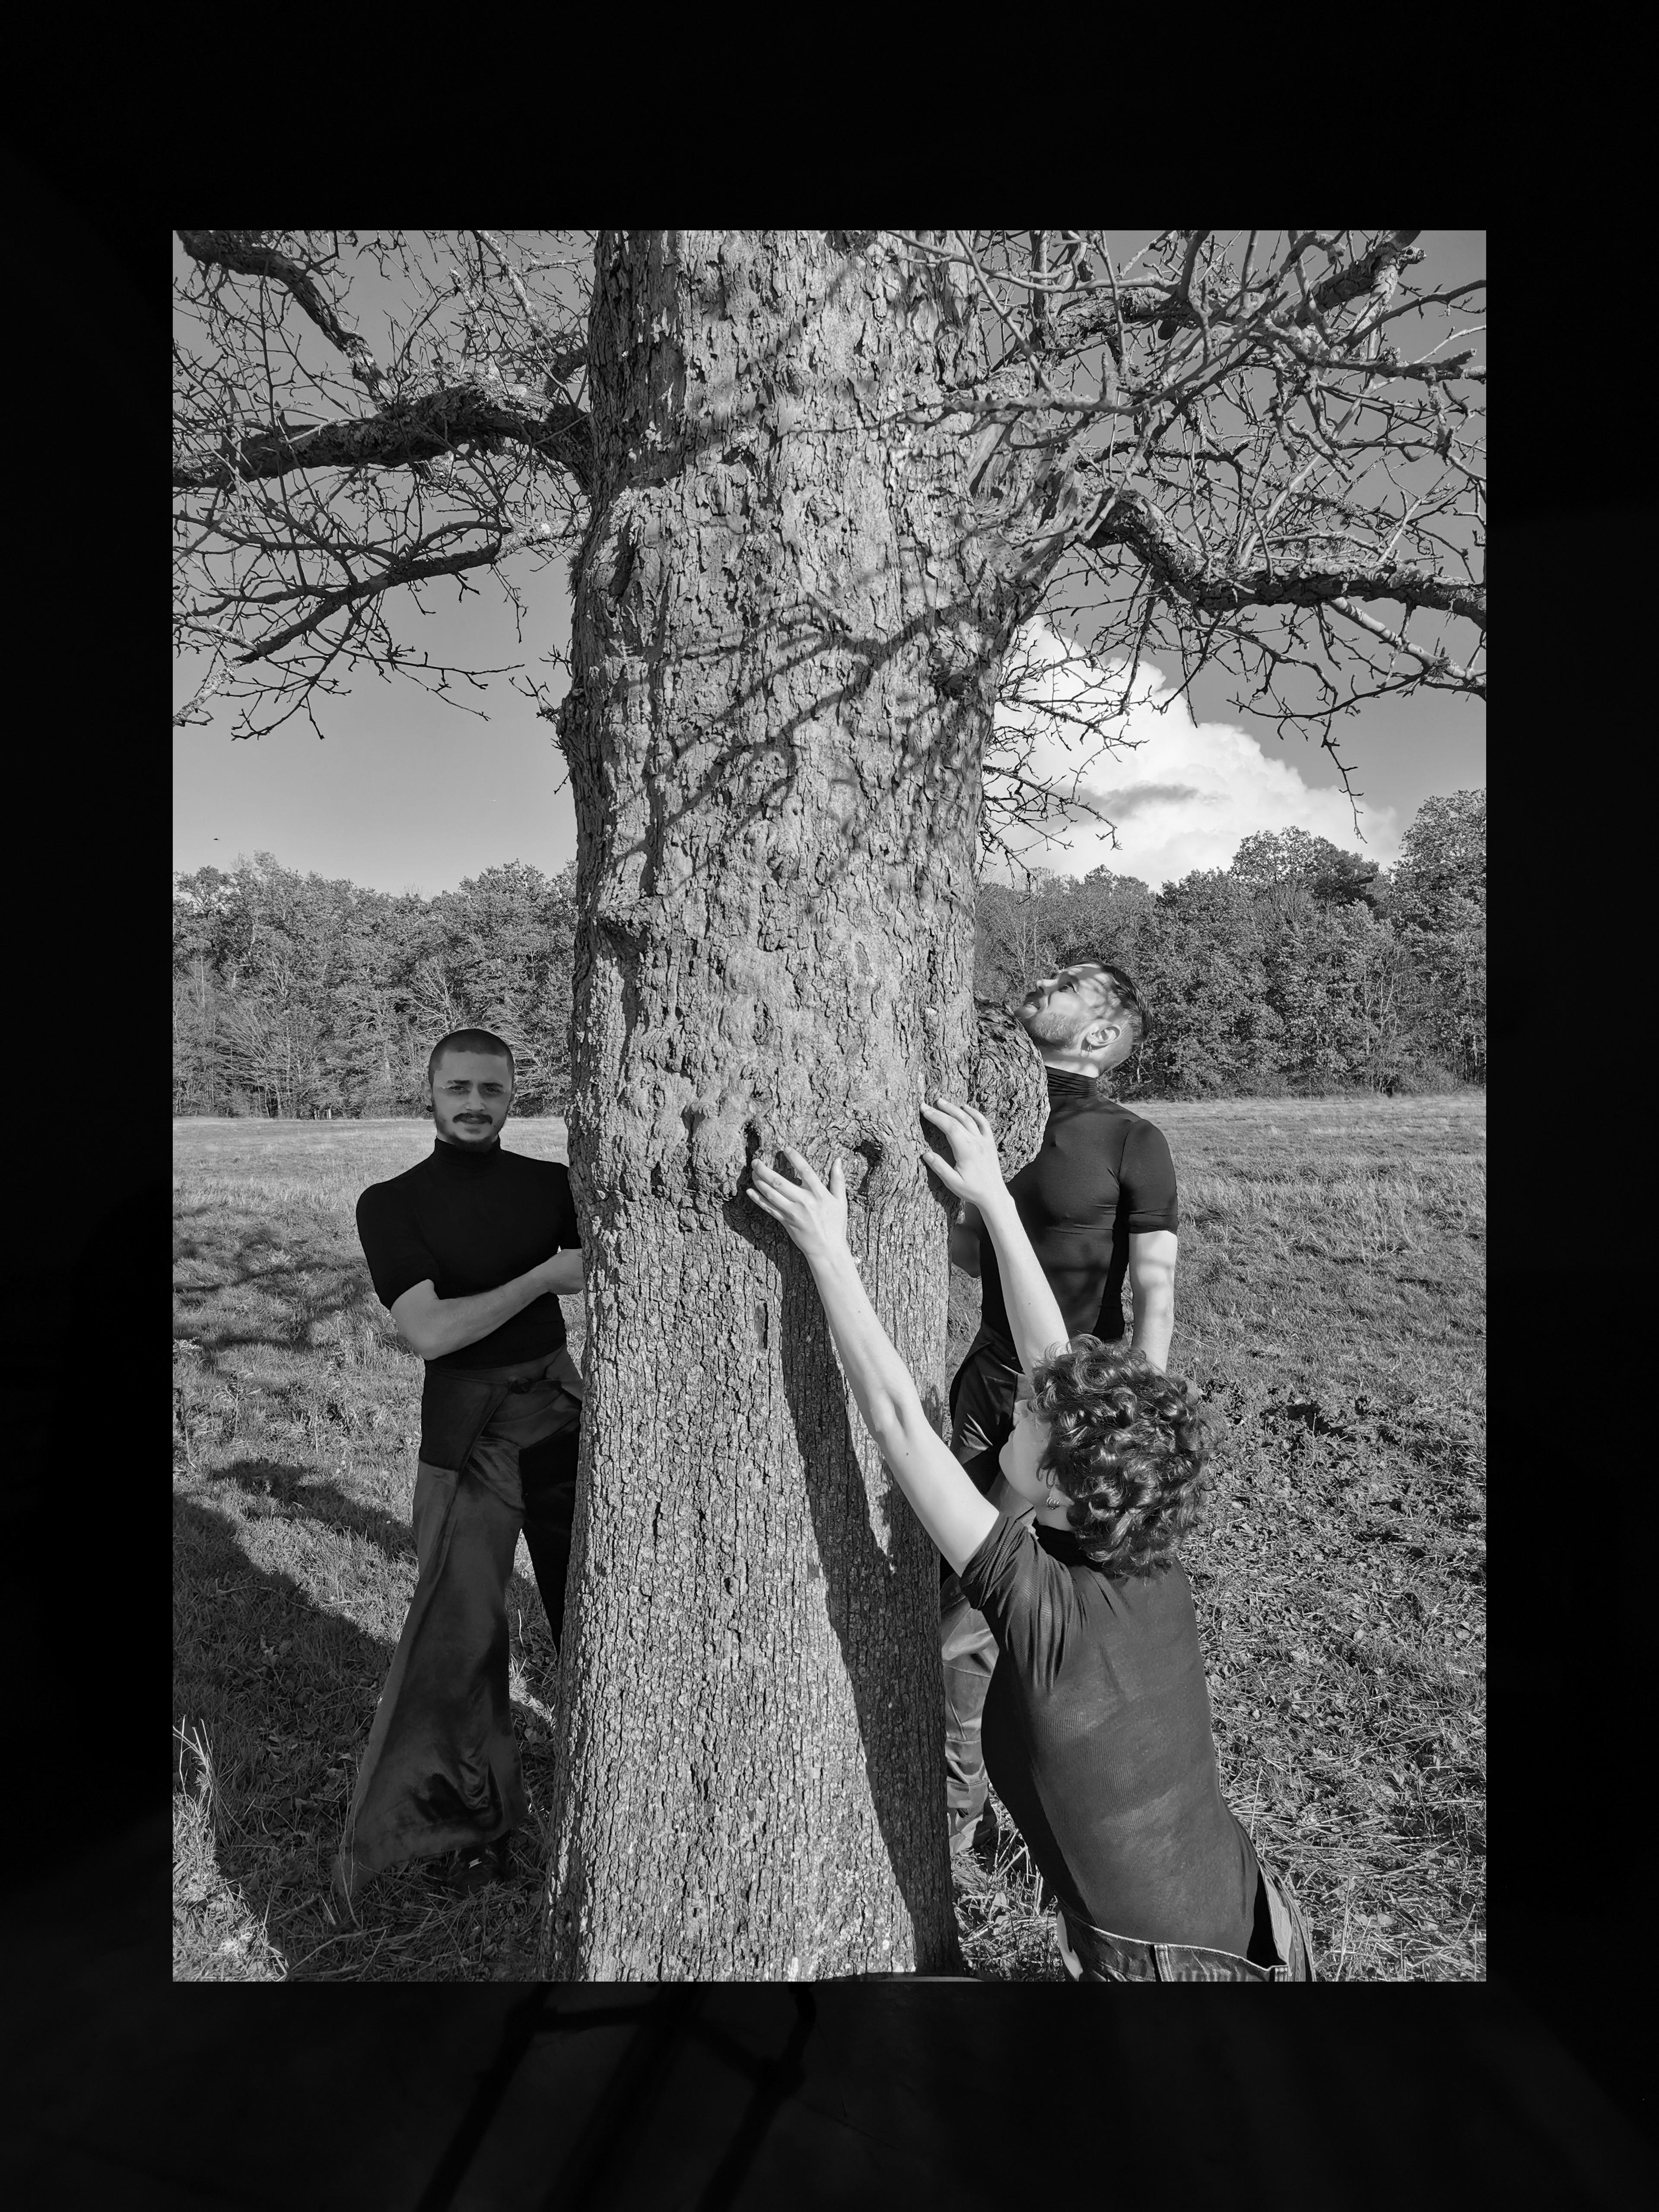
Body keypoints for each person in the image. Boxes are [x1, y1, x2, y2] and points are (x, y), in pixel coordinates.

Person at [748, 1098, 1315, 1981]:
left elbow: (902, 1425)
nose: (1018, 1402)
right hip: (1251, 1917)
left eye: (1027, 1420)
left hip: (1164, 1971)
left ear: (1052, 1483)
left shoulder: (1038, 1602)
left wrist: (828, 1252)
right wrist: (998, 1203)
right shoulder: (1137, 1529)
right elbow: (1059, 1367)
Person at [333, 1029, 585, 1908]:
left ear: (514, 1094)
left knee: (589, 1613)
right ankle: (472, 1826)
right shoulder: (391, 1203)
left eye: (492, 1088)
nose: (476, 1103)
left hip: (558, 1418)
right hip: (465, 1429)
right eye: (459, 1087)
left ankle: (605, 1780)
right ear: (431, 1093)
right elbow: (429, 1332)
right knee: (462, 1638)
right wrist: (543, 1277)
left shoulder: (553, 1186)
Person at [944, 957, 1179, 1866]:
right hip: (990, 1383)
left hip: (1084, 1402)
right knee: (963, 1600)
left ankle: (1074, 1822)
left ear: (1103, 1035)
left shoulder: (1133, 1141)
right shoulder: (997, 1115)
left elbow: (1153, 1287)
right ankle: (962, 1828)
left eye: (1078, 981)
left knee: (1058, 1618)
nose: (1050, 978)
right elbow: (977, 1259)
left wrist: (1124, 1418)